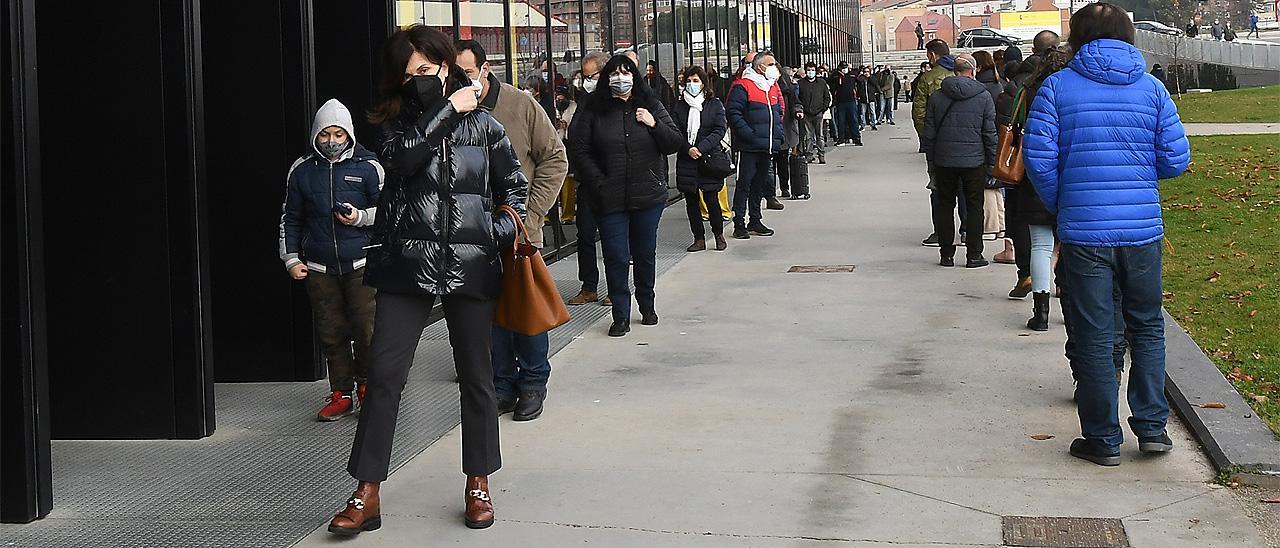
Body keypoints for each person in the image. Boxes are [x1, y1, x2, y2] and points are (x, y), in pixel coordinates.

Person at [329, 25, 528, 535]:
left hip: (471, 263)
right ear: (399, 79)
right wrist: (446, 111)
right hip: (404, 266)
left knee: (478, 380)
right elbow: (404, 162)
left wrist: (493, 229)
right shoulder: (392, 128)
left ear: (448, 67)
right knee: (386, 377)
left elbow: (516, 188)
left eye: (432, 68)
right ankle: (367, 490)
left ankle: (478, 482)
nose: (425, 79)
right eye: (413, 72)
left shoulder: (486, 127)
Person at [1023, 3, 1190, 467]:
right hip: (1142, 231)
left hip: (1085, 233)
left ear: (1077, 36)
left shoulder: (1056, 88)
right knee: (1147, 326)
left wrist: (1067, 203)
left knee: (1095, 334)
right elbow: (1175, 160)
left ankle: (1102, 437)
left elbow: (1039, 161)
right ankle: (1153, 427)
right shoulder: (1152, 89)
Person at [455, 40, 568, 423]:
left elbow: (555, 159)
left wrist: (531, 216)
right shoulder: (447, 111)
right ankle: (501, 386)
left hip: (518, 234)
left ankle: (534, 384)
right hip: (471, 237)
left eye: (467, 73)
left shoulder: (519, 105)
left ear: (485, 70)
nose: (460, 81)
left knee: (526, 309)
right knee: (490, 315)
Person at [279, 98, 383, 422]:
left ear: (349, 134)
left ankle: (368, 388)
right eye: (325, 134)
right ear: (316, 135)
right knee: (331, 332)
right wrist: (291, 258)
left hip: (362, 264)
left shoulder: (369, 166)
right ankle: (341, 393)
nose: (332, 141)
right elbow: (290, 218)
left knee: (366, 329)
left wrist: (360, 217)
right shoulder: (301, 170)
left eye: (339, 134)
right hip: (319, 268)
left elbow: (391, 212)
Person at [567, 55, 685, 337]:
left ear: (635, 76)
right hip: (609, 197)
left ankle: (647, 304)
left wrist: (653, 123)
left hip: (647, 195)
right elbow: (579, 149)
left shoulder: (651, 104)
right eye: (615, 73)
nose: (621, 78)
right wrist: (599, 181)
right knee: (616, 256)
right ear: (607, 78)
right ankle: (620, 313)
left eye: (626, 72)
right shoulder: (593, 109)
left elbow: (674, 141)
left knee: (644, 254)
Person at [1008, 44, 1072, 331]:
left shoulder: (1028, 90)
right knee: (1070, 245)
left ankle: (1041, 312)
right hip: (1070, 174)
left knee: (1041, 246)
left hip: (1034, 174)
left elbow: (1014, 128)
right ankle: (1069, 305)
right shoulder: (1073, 91)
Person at [997, 30, 1059, 296]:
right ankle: (1063, 284)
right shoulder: (1067, 82)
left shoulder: (1021, 86)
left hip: (1027, 167)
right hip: (1063, 165)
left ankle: (1027, 277)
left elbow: (1004, 119)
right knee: (1064, 231)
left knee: (1030, 228)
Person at [923, 53, 996, 269]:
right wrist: (992, 164)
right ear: (973, 71)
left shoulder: (937, 96)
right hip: (974, 160)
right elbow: (989, 134)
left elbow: (929, 132)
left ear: (954, 70)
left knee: (945, 206)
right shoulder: (983, 97)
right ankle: (974, 254)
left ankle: (946, 254)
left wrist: (931, 161)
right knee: (975, 207)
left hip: (944, 160)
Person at [565, 52, 613, 308]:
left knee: (612, 236)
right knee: (584, 235)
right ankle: (589, 286)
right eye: (584, 77)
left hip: (609, 179)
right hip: (585, 180)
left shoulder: (613, 101)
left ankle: (615, 288)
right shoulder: (585, 101)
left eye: (590, 76)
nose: (586, 81)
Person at [726, 51, 787, 240]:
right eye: (771, 64)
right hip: (749, 145)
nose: (775, 67)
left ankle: (755, 219)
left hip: (767, 145)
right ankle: (739, 222)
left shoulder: (770, 88)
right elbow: (733, 112)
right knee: (744, 183)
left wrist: (778, 135)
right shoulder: (742, 86)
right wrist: (748, 134)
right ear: (760, 67)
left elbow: (777, 113)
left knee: (759, 184)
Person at [673, 66, 730, 252]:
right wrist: (688, 148)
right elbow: (674, 131)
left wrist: (701, 147)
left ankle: (718, 234)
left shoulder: (714, 104)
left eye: (696, 81)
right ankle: (698, 238)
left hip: (708, 158)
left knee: (711, 199)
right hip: (687, 159)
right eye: (688, 81)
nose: (692, 84)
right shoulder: (680, 106)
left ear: (704, 83)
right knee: (691, 202)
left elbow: (719, 129)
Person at [914, 39, 954, 247]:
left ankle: (940, 232)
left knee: (938, 187)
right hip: (966, 144)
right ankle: (966, 231)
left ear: (932, 55)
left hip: (937, 143)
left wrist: (927, 138)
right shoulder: (962, 72)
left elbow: (919, 113)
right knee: (966, 190)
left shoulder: (927, 78)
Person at [798, 61, 832, 164]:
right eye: (808, 70)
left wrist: (823, 108)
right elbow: (798, 98)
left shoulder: (821, 83)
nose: (810, 72)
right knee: (808, 136)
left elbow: (827, 97)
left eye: (812, 70)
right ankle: (809, 154)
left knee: (819, 135)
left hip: (818, 113)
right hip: (807, 114)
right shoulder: (801, 83)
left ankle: (821, 154)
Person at [831, 62, 861, 147]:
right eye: (842, 67)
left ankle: (856, 138)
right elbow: (831, 85)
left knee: (853, 120)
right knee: (841, 121)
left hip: (851, 101)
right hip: (840, 102)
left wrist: (857, 94)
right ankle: (841, 139)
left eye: (845, 67)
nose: (844, 69)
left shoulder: (852, 75)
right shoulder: (836, 76)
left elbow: (860, 83)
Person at [856, 66, 879, 131]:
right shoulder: (861, 78)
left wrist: (869, 77)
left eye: (867, 72)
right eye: (865, 72)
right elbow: (858, 85)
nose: (866, 73)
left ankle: (873, 124)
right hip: (863, 98)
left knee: (872, 112)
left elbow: (875, 84)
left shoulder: (872, 78)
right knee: (862, 112)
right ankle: (863, 125)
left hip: (871, 97)